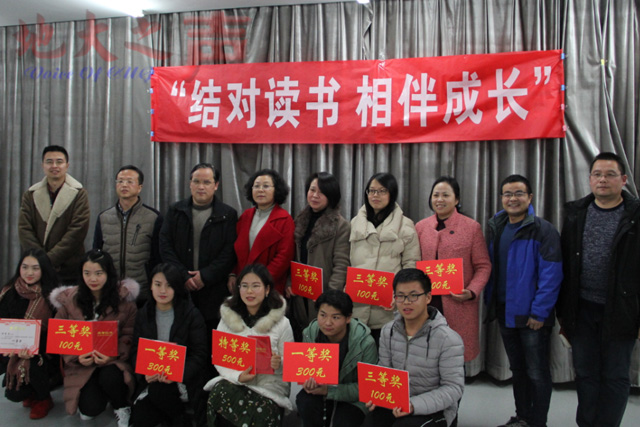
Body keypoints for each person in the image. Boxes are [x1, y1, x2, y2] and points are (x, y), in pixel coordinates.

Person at [558, 152, 640, 427]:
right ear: (590, 178)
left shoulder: (635, 215)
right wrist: (563, 312)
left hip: (622, 310)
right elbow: (565, 264)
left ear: (623, 179)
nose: (603, 180)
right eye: (597, 174)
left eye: (610, 174)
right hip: (582, 309)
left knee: (615, 376)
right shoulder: (576, 213)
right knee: (585, 374)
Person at [484, 175, 562, 427]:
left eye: (518, 193)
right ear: (501, 198)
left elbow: (552, 275)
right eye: (507, 194)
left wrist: (539, 313)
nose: (512, 198)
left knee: (537, 373)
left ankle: (538, 422)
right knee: (518, 370)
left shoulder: (543, 230)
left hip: (532, 317)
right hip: (505, 312)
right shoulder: (497, 226)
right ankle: (522, 417)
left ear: (529, 198)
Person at [362, 268, 464, 427]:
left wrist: (414, 405)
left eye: (413, 295)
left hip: (434, 409)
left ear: (428, 297)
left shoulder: (448, 339)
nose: (406, 302)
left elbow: (453, 388)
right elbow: (384, 371)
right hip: (396, 402)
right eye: (400, 296)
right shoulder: (388, 331)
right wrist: (377, 395)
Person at [49, 249, 138, 427]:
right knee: (88, 411)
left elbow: (129, 335)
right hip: (83, 364)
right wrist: (77, 357)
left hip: (112, 362)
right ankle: (100, 394)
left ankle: (121, 406)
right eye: (87, 273)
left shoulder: (124, 301)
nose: (93, 279)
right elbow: (59, 336)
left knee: (111, 377)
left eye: (99, 273)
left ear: (108, 273)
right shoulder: (70, 300)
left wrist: (113, 355)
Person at [415, 176, 491, 366]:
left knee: (454, 361)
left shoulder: (471, 228)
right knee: (425, 360)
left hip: (458, 303)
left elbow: (483, 266)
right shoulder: (421, 227)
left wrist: (471, 291)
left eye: (445, 195)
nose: (439, 199)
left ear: (456, 199)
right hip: (427, 304)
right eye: (436, 195)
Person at [205, 264, 293, 427]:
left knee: (262, 411)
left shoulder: (282, 323)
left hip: (270, 387)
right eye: (244, 286)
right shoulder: (227, 318)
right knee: (219, 392)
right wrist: (238, 377)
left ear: (267, 289)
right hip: (236, 382)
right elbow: (219, 358)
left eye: (255, 286)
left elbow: (291, 364)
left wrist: (279, 362)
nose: (249, 291)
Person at [159, 162, 237, 331]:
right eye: (196, 181)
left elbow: (229, 252)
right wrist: (183, 275)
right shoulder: (175, 211)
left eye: (207, 182)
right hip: (180, 288)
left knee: (210, 338)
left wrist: (205, 276)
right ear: (190, 183)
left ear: (216, 185)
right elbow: (165, 246)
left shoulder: (228, 214)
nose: (201, 187)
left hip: (214, 291)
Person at [130, 263, 208, 427]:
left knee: (159, 391)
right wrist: (144, 374)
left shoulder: (191, 314)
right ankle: (175, 418)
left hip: (183, 380)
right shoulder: (144, 314)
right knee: (140, 418)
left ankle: (180, 420)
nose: (163, 291)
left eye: (169, 285)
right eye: (158, 284)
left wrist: (177, 374)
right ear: (150, 286)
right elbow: (135, 350)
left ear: (177, 288)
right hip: (152, 378)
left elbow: (199, 355)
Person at [350, 172, 421, 342]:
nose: (375, 195)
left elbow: (411, 265)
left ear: (392, 194)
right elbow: (347, 261)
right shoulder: (355, 223)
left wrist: (399, 294)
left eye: (382, 191)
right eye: (372, 191)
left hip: (388, 308)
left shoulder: (406, 226)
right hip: (357, 304)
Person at [296, 289, 377, 427]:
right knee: (305, 402)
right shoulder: (310, 333)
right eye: (323, 315)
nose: (327, 323)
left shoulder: (365, 343)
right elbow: (305, 371)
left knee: (344, 421)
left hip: (353, 398)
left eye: (335, 317)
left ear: (348, 318)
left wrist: (330, 390)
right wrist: (307, 382)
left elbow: (367, 388)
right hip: (320, 390)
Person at [19, 145, 90, 283]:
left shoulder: (79, 194)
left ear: (67, 165)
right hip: (35, 269)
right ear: (42, 165)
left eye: (59, 162)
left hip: (69, 268)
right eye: (49, 162)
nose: (54, 166)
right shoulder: (30, 194)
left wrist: (48, 260)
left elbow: (77, 232)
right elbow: (24, 229)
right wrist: (39, 260)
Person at [93, 165, 163, 306]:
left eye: (130, 181)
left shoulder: (153, 217)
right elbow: (97, 253)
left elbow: (158, 257)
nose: (124, 185)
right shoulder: (104, 217)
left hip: (142, 292)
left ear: (139, 187)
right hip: (110, 290)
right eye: (120, 181)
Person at [0, 249, 58, 419]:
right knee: (15, 394)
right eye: (25, 267)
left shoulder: (53, 296)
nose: (29, 273)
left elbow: (57, 333)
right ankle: (29, 392)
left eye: (35, 268)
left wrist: (34, 348)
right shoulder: (8, 292)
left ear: (44, 269)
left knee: (34, 363)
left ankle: (43, 398)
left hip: (45, 352)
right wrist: (8, 347)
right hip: (13, 351)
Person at [290, 172, 350, 330]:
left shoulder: (341, 225)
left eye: (322, 192)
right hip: (299, 293)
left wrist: (329, 296)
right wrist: (289, 282)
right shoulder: (298, 221)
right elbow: (292, 257)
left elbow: (341, 264)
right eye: (312, 190)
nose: (315, 195)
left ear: (331, 196)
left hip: (323, 295)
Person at [228, 169, 295, 295]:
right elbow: (235, 251)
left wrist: (260, 282)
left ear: (276, 190)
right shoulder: (246, 216)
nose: (260, 190)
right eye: (257, 186)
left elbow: (283, 257)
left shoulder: (285, 219)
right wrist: (233, 273)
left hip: (269, 285)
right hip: (243, 283)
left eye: (266, 186)